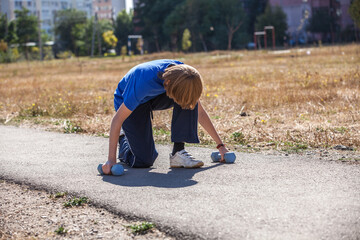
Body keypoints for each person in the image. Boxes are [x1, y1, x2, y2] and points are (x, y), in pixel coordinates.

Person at [101, 59, 229, 174]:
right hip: (129, 101)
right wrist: (111, 160)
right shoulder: (143, 81)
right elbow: (117, 120)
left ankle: (178, 153)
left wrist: (221, 146)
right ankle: (123, 137)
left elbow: (199, 112)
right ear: (167, 82)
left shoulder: (184, 75)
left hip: (157, 95)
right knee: (144, 161)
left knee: (188, 99)